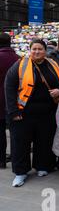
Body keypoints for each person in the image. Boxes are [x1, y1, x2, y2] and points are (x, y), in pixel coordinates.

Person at [5, 38, 59, 187]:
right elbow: (9, 88)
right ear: (30, 50)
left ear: (45, 51)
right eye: (34, 49)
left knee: (44, 140)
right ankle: (21, 172)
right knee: (20, 143)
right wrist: (13, 111)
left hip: (47, 112)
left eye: (40, 49)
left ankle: (42, 166)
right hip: (23, 112)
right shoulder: (19, 65)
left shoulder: (53, 64)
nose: (37, 52)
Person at [0, 33, 19, 169]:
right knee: (15, 131)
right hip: (15, 101)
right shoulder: (19, 58)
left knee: (0, 131)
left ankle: (1, 160)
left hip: (0, 100)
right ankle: (15, 156)